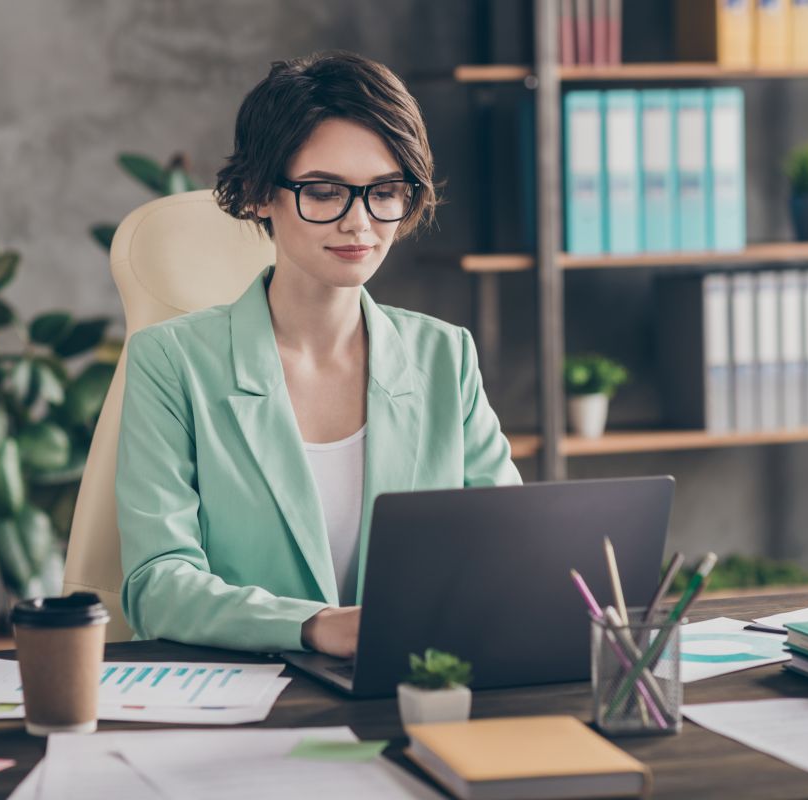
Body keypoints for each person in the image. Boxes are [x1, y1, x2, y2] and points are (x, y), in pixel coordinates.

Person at [116, 51, 521, 660]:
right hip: (250, 703)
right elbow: (157, 582)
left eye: (385, 191)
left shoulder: (445, 356)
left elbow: (510, 548)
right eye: (325, 191)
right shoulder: (172, 362)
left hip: (415, 685)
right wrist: (313, 625)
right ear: (257, 194)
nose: (359, 222)